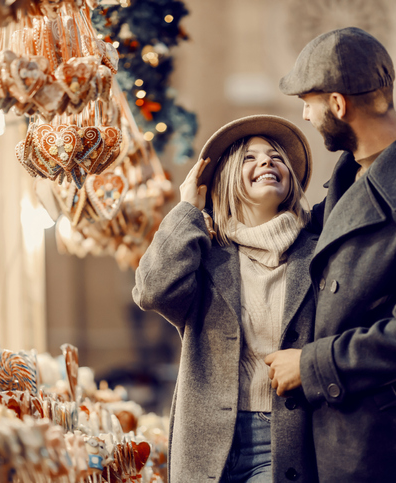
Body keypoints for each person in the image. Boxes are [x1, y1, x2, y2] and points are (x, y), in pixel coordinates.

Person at [266, 26, 396, 482]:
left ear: (339, 104)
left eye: (309, 101)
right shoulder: (352, 177)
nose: (305, 115)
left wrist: (310, 364)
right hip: (334, 444)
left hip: (391, 452)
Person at [133, 115, 320, 483]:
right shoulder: (207, 256)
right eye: (249, 157)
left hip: (285, 440)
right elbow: (151, 289)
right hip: (206, 442)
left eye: (275, 156)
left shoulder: (318, 254)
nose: (266, 161)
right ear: (228, 179)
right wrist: (186, 209)